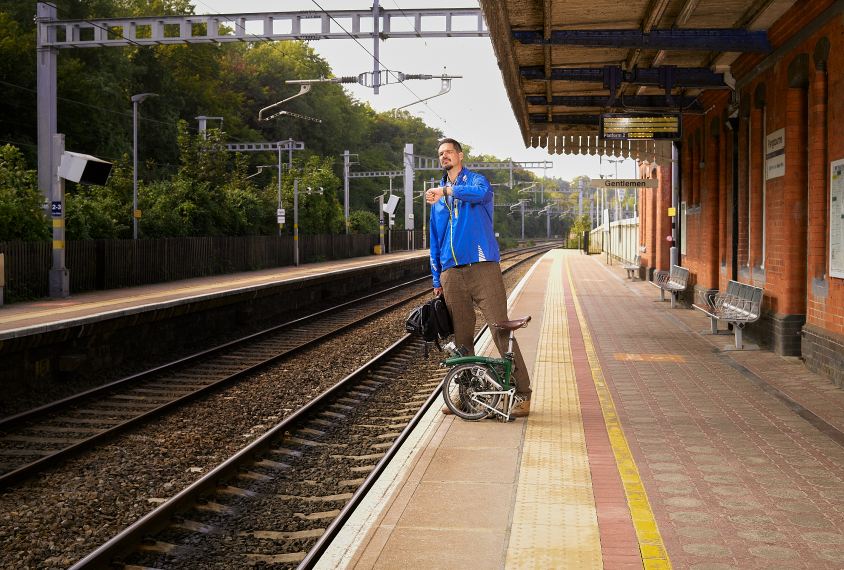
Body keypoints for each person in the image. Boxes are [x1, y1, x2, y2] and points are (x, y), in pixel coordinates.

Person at [426, 138, 532, 417]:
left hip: (482, 265)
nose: (444, 156)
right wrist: (437, 279)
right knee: (461, 339)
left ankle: (523, 394)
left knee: (500, 330)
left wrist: (448, 190)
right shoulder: (436, 200)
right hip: (451, 274)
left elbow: (481, 196)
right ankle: (465, 396)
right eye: (440, 154)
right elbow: (435, 241)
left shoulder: (476, 182)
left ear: (460, 155)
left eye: (449, 152)